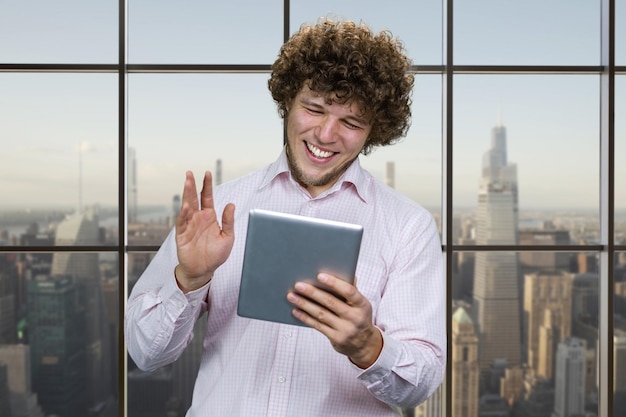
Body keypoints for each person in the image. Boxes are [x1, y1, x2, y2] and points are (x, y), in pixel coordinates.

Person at [125, 18, 445, 417]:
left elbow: (423, 381)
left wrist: (367, 346)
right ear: (287, 101)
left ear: (373, 131)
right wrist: (188, 281)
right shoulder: (221, 210)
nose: (327, 135)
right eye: (314, 109)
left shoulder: (407, 227)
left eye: (351, 122)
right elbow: (144, 354)